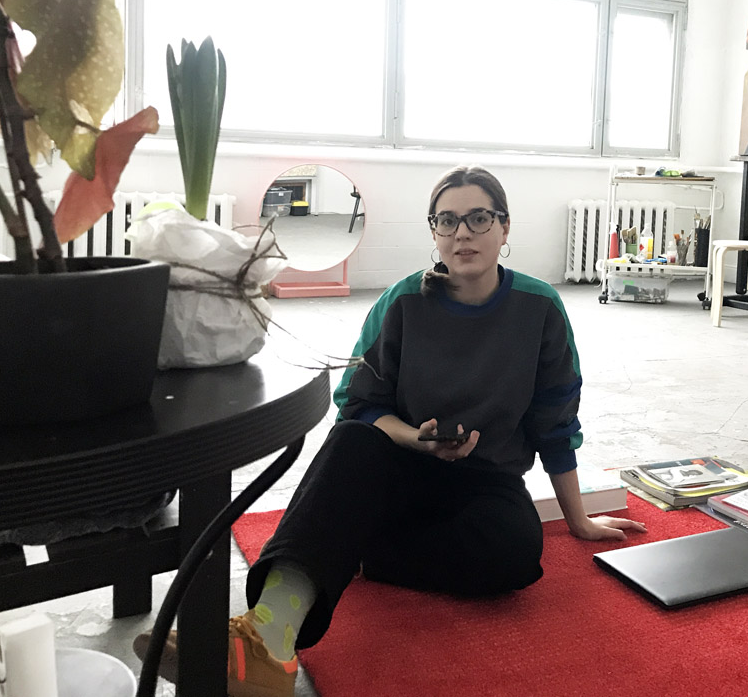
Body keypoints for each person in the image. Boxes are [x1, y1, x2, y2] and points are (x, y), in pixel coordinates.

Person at [135, 165, 646, 697]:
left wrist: (579, 520)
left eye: (478, 218)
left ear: (505, 227)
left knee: (516, 553)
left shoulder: (539, 308)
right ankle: (265, 638)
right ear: (434, 232)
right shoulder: (403, 302)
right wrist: (417, 438)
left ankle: (352, 548)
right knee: (350, 440)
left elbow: (555, 421)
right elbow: (359, 406)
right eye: (447, 221)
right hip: (398, 468)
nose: (462, 233)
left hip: (486, 482)